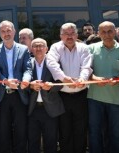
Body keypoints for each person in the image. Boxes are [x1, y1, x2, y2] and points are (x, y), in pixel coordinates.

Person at [46, 23, 92, 153]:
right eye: (66, 33)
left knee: (81, 129)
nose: (69, 36)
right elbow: (51, 63)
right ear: (61, 36)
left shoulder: (83, 47)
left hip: (81, 95)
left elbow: (86, 66)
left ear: (77, 35)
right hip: (63, 96)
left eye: (72, 33)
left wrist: (83, 78)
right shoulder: (55, 47)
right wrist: (64, 78)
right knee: (64, 130)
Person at [88, 21, 119, 153]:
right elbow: (86, 71)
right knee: (95, 133)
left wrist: (117, 79)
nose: (107, 34)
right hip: (95, 98)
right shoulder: (90, 49)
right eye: (103, 32)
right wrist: (95, 78)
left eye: (110, 31)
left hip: (116, 99)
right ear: (98, 33)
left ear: (115, 32)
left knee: (116, 134)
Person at [0, 20, 31, 153]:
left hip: (20, 95)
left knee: (21, 130)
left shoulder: (24, 49)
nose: (6, 33)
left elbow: (28, 69)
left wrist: (25, 80)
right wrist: (5, 81)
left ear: (14, 31)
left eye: (8, 30)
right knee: (3, 132)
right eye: (3, 31)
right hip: (2, 96)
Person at [27, 38, 65, 153]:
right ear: (31, 49)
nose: (38, 48)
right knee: (33, 142)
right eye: (35, 46)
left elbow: (61, 83)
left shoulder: (54, 63)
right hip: (32, 109)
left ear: (47, 49)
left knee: (51, 142)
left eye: (41, 46)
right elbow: (21, 83)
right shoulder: (27, 63)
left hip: (50, 109)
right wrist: (30, 86)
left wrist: (51, 86)